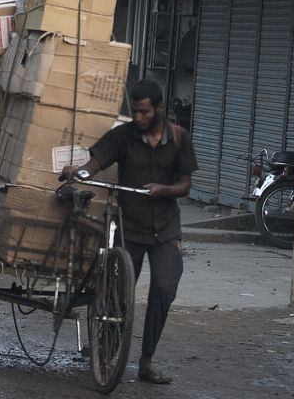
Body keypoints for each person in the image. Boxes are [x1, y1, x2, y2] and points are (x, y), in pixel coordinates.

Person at [64, 78, 196, 386]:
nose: (138, 118)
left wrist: (165, 189)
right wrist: (78, 173)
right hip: (129, 228)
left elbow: (185, 184)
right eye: (134, 112)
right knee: (118, 293)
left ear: (159, 109)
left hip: (165, 230)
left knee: (165, 287)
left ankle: (146, 361)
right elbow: (94, 164)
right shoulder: (123, 136)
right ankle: (105, 355)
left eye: (144, 112)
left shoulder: (179, 138)